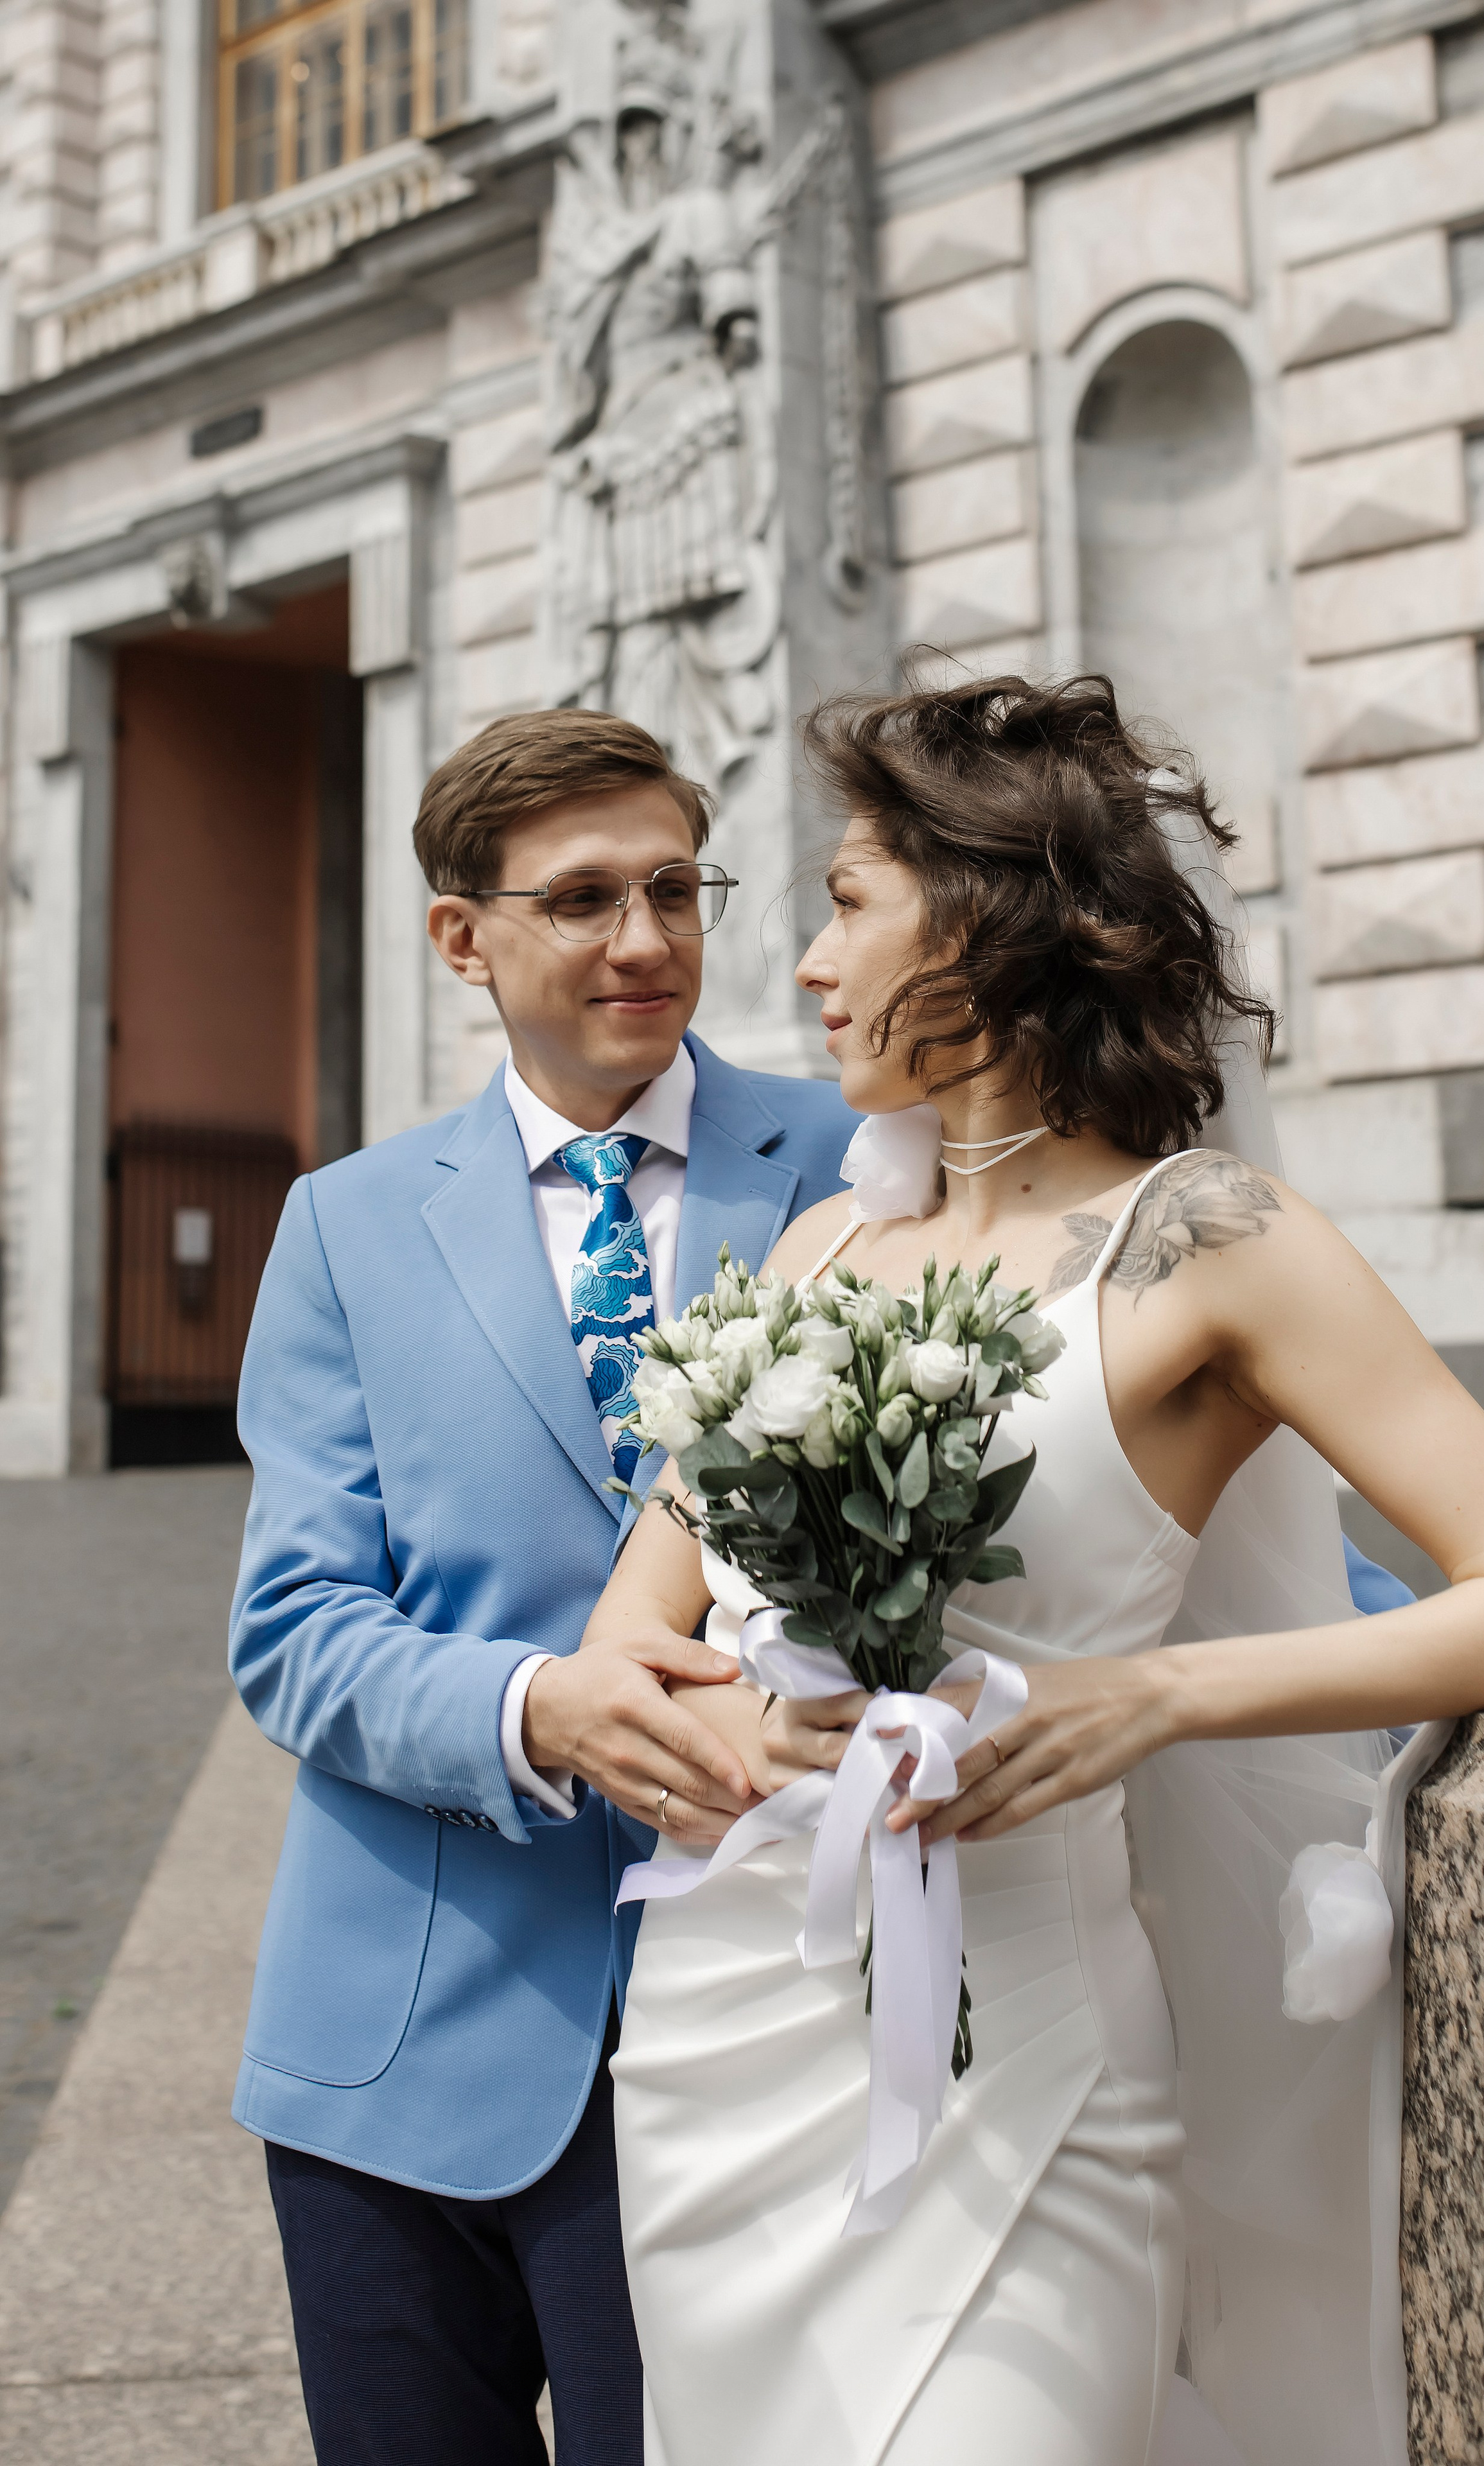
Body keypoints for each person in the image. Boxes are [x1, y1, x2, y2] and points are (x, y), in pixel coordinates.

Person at [586, 675, 1484, 2466]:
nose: (809, 971)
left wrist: (1151, 1695)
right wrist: (744, 1741)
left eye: (846, 905)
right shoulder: (828, 1245)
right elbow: (640, 1626)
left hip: (1036, 2063)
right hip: (724, 2052)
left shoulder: (1209, 1242)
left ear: (989, 917)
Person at [226, 710, 856, 2466]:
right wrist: (532, 1708)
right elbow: (294, 1632)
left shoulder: (857, 1162)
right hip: (399, 2033)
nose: (645, 941)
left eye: (673, 888)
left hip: (760, 2025)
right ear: (462, 936)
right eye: (583, 900)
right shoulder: (345, 1224)